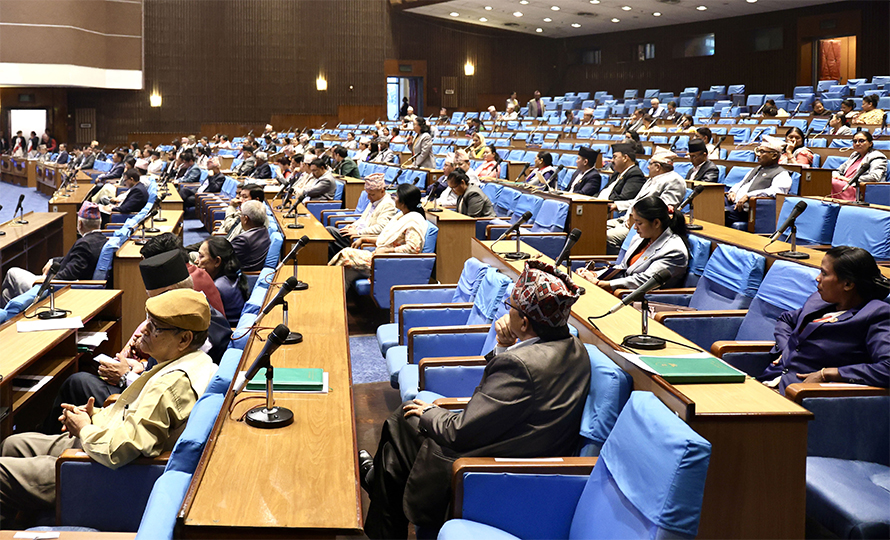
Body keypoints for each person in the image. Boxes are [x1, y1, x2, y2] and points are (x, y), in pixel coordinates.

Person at [360, 260, 590, 539]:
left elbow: (459, 431)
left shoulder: (522, 364)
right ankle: (379, 485)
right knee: (398, 443)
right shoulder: (575, 348)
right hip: (522, 441)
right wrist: (504, 345)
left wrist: (431, 412)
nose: (506, 311)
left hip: (497, 466)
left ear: (524, 322)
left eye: (510, 306)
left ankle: (379, 501)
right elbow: (507, 400)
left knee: (403, 420)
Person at [0, 288, 216, 528]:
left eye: (155, 326)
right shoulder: (196, 362)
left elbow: (121, 451)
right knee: (13, 444)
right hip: (106, 442)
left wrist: (84, 429)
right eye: (148, 320)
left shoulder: (170, 386)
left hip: (107, 472)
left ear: (184, 339)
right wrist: (93, 415)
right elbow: (135, 417)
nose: (143, 329)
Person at [43, 247, 231, 434]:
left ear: (170, 294)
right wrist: (142, 366)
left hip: (146, 407)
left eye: (154, 300)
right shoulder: (197, 313)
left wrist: (126, 376)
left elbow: (172, 387)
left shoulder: (203, 335)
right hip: (148, 387)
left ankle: (52, 439)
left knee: (77, 382)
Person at [757, 246, 889, 395]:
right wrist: (786, 348)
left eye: (824, 273)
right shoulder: (819, 300)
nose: (817, 278)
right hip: (768, 381)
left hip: (802, 395)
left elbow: (887, 367)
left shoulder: (876, 314)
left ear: (848, 284)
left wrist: (828, 373)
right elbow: (786, 319)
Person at [0, 203, 106, 306]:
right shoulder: (102, 239)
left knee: (12, 273)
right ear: (99, 222)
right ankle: (9, 315)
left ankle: (8, 313)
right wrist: (53, 261)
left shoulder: (84, 244)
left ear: (80, 224)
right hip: (63, 285)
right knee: (7, 293)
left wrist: (47, 280)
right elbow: (76, 260)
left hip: (55, 289)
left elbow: (69, 275)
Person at [578, 196, 689, 291]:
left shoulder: (674, 251)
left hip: (642, 298)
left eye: (639, 223)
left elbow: (646, 280)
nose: (635, 227)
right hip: (622, 290)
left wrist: (601, 284)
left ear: (656, 223)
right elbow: (623, 268)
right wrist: (593, 274)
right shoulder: (641, 238)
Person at [329, 184, 427, 289]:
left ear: (403, 202)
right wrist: (364, 239)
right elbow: (386, 238)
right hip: (381, 256)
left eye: (397, 196)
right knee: (346, 272)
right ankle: (332, 294)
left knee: (346, 253)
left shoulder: (413, 221)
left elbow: (413, 248)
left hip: (389, 261)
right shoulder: (402, 216)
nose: (394, 198)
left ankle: (324, 281)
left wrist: (388, 251)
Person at [606, 147, 685, 252]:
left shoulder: (674, 180)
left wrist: (635, 219)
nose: (647, 167)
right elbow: (637, 201)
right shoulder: (652, 180)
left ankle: (620, 258)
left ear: (657, 167)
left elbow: (661, 208)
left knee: (604, 236)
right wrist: (618, 205)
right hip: (627, 219)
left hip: (642, 224)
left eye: (650, 164)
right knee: (594, 228)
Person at [725, 136, 792, 226]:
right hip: (734, 203)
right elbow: (742, 183)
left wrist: (748, 195)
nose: (758, 155)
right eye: (758, 151)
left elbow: (776, 192)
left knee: (718, 212)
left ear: (774, 155)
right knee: (709, 205)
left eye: (762, 152)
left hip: (748, 209)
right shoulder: (757, 169)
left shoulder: (782, 174)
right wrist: (733, 191)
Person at [326, 173, 398, 258]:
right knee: (328, 244)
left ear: (382, 191)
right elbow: (363, 219)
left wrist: (358, 232)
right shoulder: (374, 200)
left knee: (329, 231)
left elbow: (381, 228)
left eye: (372, 194)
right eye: (367, 194)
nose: (368, 197)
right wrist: (352, 226)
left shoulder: (388, 204)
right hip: (356, 233)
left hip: (362, 237)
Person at [196, 237, 249, 325]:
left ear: (217, 261)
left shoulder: (217, 287)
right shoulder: (232, 275)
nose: (196, 261)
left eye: (201, 256)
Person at [830, 131, 888, 201]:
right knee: (826, 181)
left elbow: (874, 177)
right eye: (855, 141)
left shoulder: (877, 156)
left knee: (831, 183)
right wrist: (836, 175)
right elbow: (839, 170)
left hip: (858, 188)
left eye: (861, 141)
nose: (857, 144)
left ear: (870, 143)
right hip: (844, 184)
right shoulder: (854, 155)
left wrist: (849, 180)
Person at [229, 199, 270, 272]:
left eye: (241, 215)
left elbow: (225, 258)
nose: (240, 217)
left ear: (246, 219)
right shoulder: (264, 230)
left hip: (240, 274)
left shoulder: (243, 240)